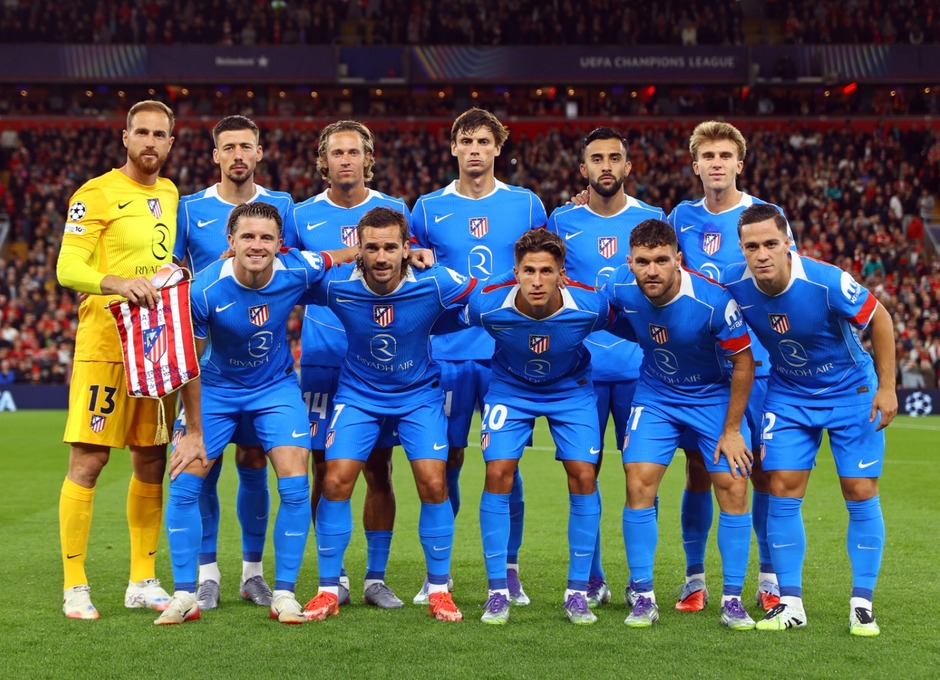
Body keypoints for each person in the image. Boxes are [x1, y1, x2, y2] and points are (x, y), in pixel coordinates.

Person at [156, 201, 357, 625]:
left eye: (267, 238)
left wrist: (408, 250)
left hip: (274, 390)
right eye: (247, 236)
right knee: (184, 483)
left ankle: (283, 594)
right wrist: (192, 431)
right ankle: (184, 595)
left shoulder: (297, 268)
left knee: (297, 488)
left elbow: (339, 256)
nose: (257, 245)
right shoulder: (204, 289)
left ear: (280, 244)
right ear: (230, 242)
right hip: (214, 389)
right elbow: (189, 367)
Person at [55, 100, 203, 619]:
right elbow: (67, 266)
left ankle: (142, 578)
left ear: (171, 142)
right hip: (104, 349)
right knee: (90, 461)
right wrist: (116, 282)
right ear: (124, 137)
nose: (149, 142)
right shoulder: (95, 194)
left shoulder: (169, 192)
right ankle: (75, 584)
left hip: (154, 347)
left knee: (151, 460)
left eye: (159, 134)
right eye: (140, 132)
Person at [726, 204, 896, 636]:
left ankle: (862, 603)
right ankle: (791, 603)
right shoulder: (732, 284)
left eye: (770, 243)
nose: (761, 253)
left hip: (851, 392)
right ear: (741, 249)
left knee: (859, 490)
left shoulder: (826, 281)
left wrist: (888, 386)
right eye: (752, 246)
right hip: (789, 395)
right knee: (782, 487)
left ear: (788, 244)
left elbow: (881, 319)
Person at [303, 207, 473, 624]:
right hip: (358, 395)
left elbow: (485, 298)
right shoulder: (338, 284)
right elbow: (283, 275)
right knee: (335, 479)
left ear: (407, 249)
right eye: (372, 247)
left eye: (390, 248)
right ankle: (328, 589)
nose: (381, 257)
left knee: (434, 482)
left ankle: (438, 590)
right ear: (359, 250)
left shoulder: (436, 282)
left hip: (418, 396)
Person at [411, 107, 547, 605]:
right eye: (465, 140)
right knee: (442, 464)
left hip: (504, 357)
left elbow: (547, 261)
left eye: (483, 141)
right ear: (453, 148)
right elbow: (412, 262)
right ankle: (437, 574)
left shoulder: (528, 205)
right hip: (443, 355)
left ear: (497, 148)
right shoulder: (426, 209)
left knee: (505, 466)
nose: (474, 149)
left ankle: (509, 572)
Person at [172, 114, 298, 610]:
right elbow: (177, 270)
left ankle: (253, 574)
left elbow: (299, 267)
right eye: (230, 147)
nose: (239, 154)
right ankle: (205, 574)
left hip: (266, 365)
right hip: (211, 362)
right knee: (200, 463)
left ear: (260, 152)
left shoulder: (280, 205)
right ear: (216, 154)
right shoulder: (189, 208)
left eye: (247, 145)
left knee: (253, 462)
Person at [606, 219, 757, 630]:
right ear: (629, 263)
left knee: (733, 485)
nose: (651, 270)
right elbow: (585, 309)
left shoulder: (712, 302)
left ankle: (731, 599)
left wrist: (731, 430)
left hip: (711, 396)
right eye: (642, 262)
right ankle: (643, 595)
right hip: (656, 395)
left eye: (660, 260)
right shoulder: (620, 292)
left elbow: (744, 361)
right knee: (637, 480)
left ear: (679, 260)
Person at [667, 120, 787, 613]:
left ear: (740, 163)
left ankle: (769, 577)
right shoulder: (680, 216)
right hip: (699, 370)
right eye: (707, 156)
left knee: (760, 473)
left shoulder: (765, 216)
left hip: (754, 364)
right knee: (698, 470)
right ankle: (695, 579)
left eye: (725, 155)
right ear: (695, 165)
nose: (716, 163)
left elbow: (782, 278)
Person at [288, 120, 409, 609]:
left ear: (367, 158)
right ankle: (332, 575)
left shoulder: (394, 211)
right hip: (321, 360)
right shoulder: (299, 215)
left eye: (353, 152)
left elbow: (414, 265)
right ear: (323, 160)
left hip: (380, 365)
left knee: (380, 470)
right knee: (326, 471)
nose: (345, 160)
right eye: (336, 153)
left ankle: (375, 578)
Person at [465, 229, 612, 625]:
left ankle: (577, 593)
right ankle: (497, 592)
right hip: (510, 388)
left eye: (546, 271)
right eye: (528, 270)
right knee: (497, 471)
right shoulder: (486, 305)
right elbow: (440, 318)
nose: (536, 280)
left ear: (561, 274)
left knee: (583, 475)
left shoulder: (591, 305)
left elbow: (633, 324)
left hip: (571, 389)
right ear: (515, 272)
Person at [547, 127, 665, 609]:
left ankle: (643, 581)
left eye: (615, 157)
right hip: (583, 372)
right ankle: (592, 578)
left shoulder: (653, 218)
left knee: (644, 478)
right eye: (597, 159)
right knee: (584, 475)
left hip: (642, 371)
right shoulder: (561, 219)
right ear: (584, 169)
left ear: (628, 166)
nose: (606, 166)